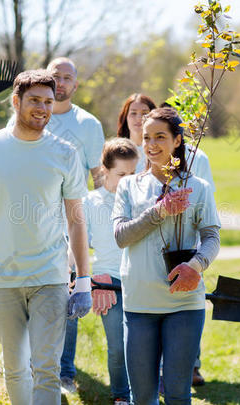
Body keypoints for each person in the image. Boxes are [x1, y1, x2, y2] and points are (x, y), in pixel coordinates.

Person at [0, 69, 92, 405]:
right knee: (14, 368)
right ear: (16, 101)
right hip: (3, 277)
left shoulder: (66, 153)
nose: (42, 108)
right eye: (34, 100)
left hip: (50, 277)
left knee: (47, 369)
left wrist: (83, 279)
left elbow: (77, 219)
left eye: (49, 102)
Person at [8, 57, 106, 393]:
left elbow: (98, 177)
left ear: (76, 84)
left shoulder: (89, 125)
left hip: (69, 221)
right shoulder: (33, 112)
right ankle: (24, 368)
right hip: (26, 219)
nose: (61, 82)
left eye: (67, 78)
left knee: (68, 294)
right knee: (22, 296)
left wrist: (97, 224)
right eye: (55, 76)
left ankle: (63, 372)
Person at [112, 108, 221, 404]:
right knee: (143, 397)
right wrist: (159, 212)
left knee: (177, 395)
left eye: (160, 137)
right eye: (147, 137)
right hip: (139, 303)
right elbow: (121, 236)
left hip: (185, 302)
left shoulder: (198, 187)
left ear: (177, 141)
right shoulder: (128, 186)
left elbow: (211, 237)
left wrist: (195, 266)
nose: (152, 144)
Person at [84, 138, 139, 405]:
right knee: (118, 346)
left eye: (132, 174)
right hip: (108, 281)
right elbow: (78, 245)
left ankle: (145, 393)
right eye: (121, 174)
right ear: (104, 170)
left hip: (140, 280)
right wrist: (90, 280)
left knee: (141, 347)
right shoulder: (90, 202)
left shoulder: (141, 200)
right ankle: (121, 396)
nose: (128, 180)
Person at [116, 93, 156, 173]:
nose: (139, 118)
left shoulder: (159, 151)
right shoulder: (115, 152)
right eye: (133, 113)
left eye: (145, 113)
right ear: (125, 117)